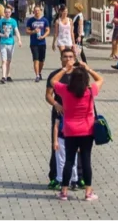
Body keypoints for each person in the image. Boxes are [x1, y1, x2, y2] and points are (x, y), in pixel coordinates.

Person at [52, 61, 104, 201]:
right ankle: (88, 192)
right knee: (86, 160)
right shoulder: (90, 91)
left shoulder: (65, 90)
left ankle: (64, 192)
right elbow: (100, 79)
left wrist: (65, 68)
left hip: (70, 130)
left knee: (69, 160)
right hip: (87, 130)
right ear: (86, 79)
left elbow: (53, 81)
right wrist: (88, 68)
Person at [45, 47, 84, 190]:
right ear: (61, 59)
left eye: (70, 57)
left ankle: (79, 177)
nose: (68, 59)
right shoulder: (55, 75)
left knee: (79, 147)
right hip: (60, 115)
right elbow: (48, 95)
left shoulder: (79, 74)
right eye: (65, 57)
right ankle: (55, 176)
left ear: (74, 59)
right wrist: (55, 104)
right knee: (57, 146)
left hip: (76, 115)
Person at [25, 5, 51, 82]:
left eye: (38, 10)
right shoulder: (30, 20)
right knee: (35, 59)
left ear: (40, 11)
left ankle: (39, 72)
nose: (37, 12)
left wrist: (43, 36)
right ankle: (37, 75)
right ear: (33, 12)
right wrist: (33, 31)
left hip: (42, 43)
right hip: (34, 43)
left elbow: (48, 30)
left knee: (41, 60)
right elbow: (27, 31)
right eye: (35, 11)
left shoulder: (44, 20)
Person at [0, 7, 20, 84]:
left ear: (11, 13)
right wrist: (3, 35)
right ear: (4, 13)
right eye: (6, 12)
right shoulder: (0, 21)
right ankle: (3, 77)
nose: (7, 14)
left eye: (9, 12)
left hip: (11, 43)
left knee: (8, 61)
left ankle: (8, 75)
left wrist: (19, 40)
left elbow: (16, 31)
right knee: (4, 60)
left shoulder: (13, 21)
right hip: (3, 43)